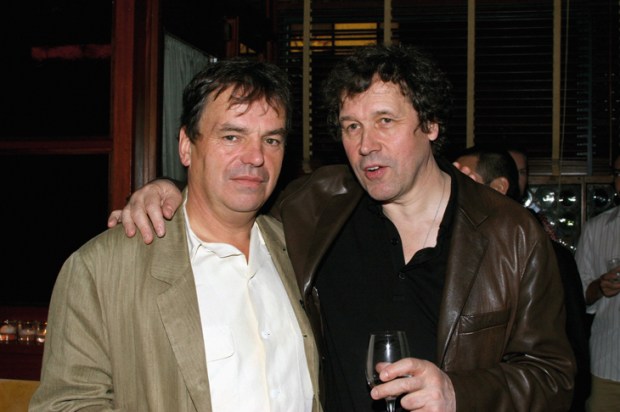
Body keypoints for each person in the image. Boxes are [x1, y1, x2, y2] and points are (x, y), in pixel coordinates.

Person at [109, 44, 575, 411]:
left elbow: (554, 376)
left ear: (430, 124)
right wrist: (168, 189)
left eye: (385, 121)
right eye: (352, 127)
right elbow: (228, 202)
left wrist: (458, 393)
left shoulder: (510, 233)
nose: (366, 144)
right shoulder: (316, 204)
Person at [30, 58, 321, 411]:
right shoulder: (100, 269)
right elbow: (66, 404)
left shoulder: (301, 250)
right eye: (232, 136)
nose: (256, 157)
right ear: (186, 145)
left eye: (271, 140)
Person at [455, 145, 591, 412]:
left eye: (467, 180)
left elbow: (571, 345)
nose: (454, 190)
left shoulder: (540, 250)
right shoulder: (454, 252)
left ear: (499, 187)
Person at [574, 154, 620, 412]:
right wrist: (600, 286)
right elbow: (579, 294)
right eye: (619, 174)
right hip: (607, 364)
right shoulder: (597, 228)